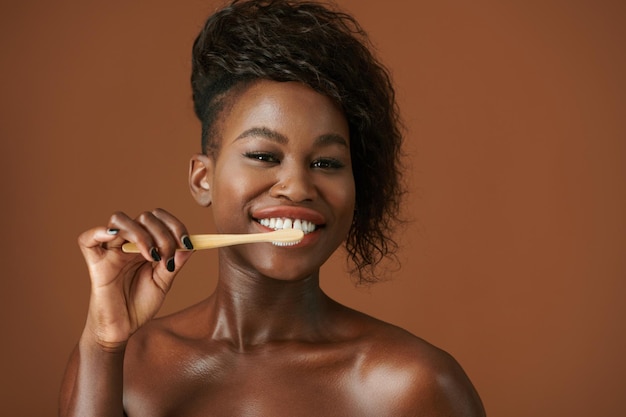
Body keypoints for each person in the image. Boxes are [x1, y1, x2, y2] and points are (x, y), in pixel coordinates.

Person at [59, 0, 486, 415]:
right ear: (202, 179)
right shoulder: (124, 364)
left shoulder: (415, 384)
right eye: (264, 156)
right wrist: (103, 343)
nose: (298, 187)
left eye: (327, 163)